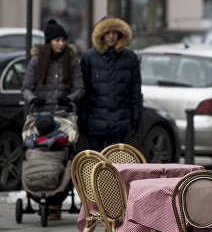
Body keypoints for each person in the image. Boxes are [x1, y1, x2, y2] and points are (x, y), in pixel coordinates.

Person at [21, 19, 84, 220]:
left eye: (63, 40)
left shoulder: (72, 61)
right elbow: (26, 87)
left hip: (64, 114)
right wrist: (33, 99)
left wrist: (70, 98)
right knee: (37, 150)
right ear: (49, 42)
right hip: (40, 115)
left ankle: (56, 197)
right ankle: (38, 188)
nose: (61, 44)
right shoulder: (37, 61)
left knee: (62, 153)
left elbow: (80, 89)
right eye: (57, 40)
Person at [80, 16, 142, 152]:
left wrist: (136, 116)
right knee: (94, 163)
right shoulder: (89, 58)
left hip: (120, 121)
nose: (111, 36)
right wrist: (82, 117)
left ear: (120, 34)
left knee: (115, 164)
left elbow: (135, 90)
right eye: (108, 32)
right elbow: (83, 90)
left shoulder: (130, 58)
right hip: (94, 121)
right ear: (101, 34)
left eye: (115, 33)